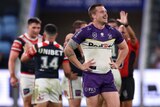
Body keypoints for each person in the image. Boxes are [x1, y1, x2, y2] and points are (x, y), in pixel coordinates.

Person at [64, 4, 128, 107]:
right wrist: (81, 66)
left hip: (108, 75)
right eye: (102, 12)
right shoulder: (85, 31)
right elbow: (68, 49)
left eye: (106, 11)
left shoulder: (112, 31)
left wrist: (118, 63)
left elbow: (124, 48)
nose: (106, 14)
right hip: (91, 77)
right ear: (93, 15)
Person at [21, 24, 76, 107]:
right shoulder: (61, 49)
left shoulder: (37, 47)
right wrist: (70, 75)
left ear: (44, 35)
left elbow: (23, 59)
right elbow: (67, 71)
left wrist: (27, 50)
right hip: (55, 82)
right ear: (56, 34)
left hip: (40, 81)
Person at [8, 17, 43, 107]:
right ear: (28, 27)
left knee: (40, 103)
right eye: (34, 27)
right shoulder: (20, 41)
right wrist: (12, 76)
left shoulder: (43, 40)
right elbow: (12, 60)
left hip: (41, 76)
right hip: (26, 76)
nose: (36, 30)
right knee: (27, 103)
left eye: (38, 28)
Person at [108, 11, 139, 107]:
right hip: (111, 78)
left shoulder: (131, 44)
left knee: (127, 104)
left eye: (124, 32)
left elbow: (133, 37)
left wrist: (126, 24)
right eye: (120, 32)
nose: (122, 34)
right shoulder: (109, 44)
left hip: (127, 80)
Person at [62, 20, 87, 107]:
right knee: (74, 105)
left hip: (85, 76)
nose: (87, 30)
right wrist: (68, 73)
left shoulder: (86, 40)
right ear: (77, 30)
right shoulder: (70, 37)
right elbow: (65, 53)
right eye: (84, 28)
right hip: (74, 77)